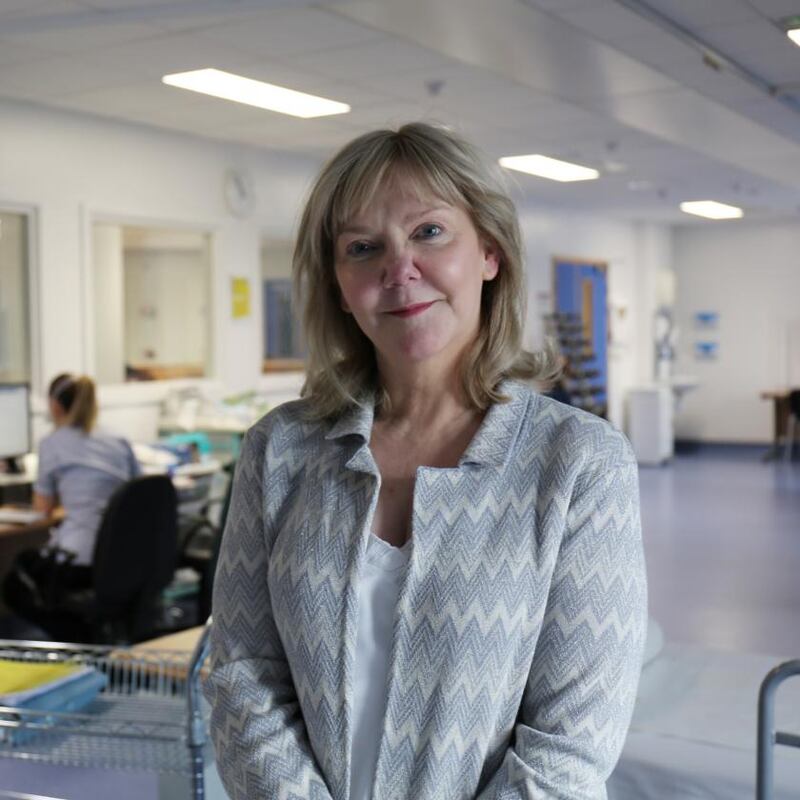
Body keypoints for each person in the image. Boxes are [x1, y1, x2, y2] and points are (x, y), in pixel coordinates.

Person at [205, 123, 647, 800]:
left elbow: (569, 749)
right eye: (363, 247)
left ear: (490, 252)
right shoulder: (280, 450)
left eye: (429, 233)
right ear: (340, 285)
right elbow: (242, 675)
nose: (398, 269)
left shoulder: (580, 466)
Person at [2, 373, 140, 635]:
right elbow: (137, 491)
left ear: (55, 406)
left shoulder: (52, 443)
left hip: (81, 561)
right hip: (124, 557)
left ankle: (73, 637)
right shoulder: (118, 439)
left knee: (15, 582)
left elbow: (42, 509)